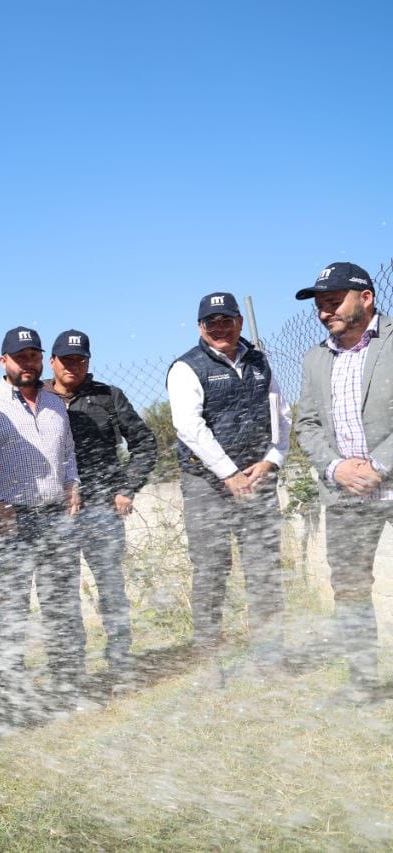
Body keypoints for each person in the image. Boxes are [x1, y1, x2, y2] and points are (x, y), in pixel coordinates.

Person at [166, 292, 289, 659]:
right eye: (212, 323)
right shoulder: (186, 368)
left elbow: (280, 414)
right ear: (200, 328)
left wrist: (272, 460)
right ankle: (209, 656)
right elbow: (189, 427)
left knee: (264, 566)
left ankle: (270, 655)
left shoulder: (260, 361)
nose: (220, 328)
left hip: (256, 477)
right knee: (212, 567)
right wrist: (229, 472)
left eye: (227, 320)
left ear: (240, 322)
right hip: (206, 483)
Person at [294, 262, 392, 700]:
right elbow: (307, 424)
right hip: (345, 493)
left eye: (333, 302)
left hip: (387, 476)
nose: (324, 312)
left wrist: (379, 465)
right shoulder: (315, 358)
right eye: (320, 306)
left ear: (366, 298)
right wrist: (336, 468)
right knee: (350, 588)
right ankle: (363, 682)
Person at [0, 327, 83, 705]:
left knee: (62, 602)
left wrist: (72, 483)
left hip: (56, 515)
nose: (28, 363)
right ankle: (9, 691)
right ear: (2, 361)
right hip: (13, 520)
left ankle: (68, 683)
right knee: (15, 604)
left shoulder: (55, 402)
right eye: (20, 357)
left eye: (34, 356)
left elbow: (68, 452)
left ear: (43, 360)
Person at [45, 329, 157, 679]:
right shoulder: (38, 398)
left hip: (102, 511)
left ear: (88, 362)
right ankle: (71, 671)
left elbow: (145, 444)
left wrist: (126, 488)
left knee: (111, 588)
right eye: (66, 360)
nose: (73, 366)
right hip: (55, 515)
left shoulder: (108, 396)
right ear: (52, 361)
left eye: (80, 360)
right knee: (62, 594)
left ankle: (120, 661)